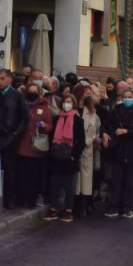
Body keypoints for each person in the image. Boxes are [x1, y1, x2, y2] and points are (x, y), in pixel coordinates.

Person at [103, 89, 133, 219]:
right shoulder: (116, 110)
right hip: (118, 150)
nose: (127, 99)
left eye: (130, 97)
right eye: (125, 96)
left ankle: (127, 207)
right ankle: (114, 206)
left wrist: (127, 131)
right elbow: (107, 125)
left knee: (130, 182)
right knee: (116, 180)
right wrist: (105, 134)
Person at [0, 69, 28, 210]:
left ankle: (9, 198)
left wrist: (15, 134)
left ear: (9, 79)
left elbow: (24, 118)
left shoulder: (17, 96)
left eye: (2, 79)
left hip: (11, 138)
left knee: (10, 170)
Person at [44, 95, 85, 223]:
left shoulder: (78, 121)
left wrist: (74, 156)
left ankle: (68, 210)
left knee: (69, 185)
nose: (66, 104)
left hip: (70, 157)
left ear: (73, 104)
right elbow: (51, 138)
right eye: (65, 102)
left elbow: (81, 141)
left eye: (69, 102)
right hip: (56, 156)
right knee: (55, 184)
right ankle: (53, 208)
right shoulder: (56, 119)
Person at [17, 82, 53, 209]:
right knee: (22, 176)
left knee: (33, 178)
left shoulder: (44, 107)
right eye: (30, 90)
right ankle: (20, 200)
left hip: (36, 147)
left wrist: (44, 125)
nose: (32, 93)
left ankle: (31, 201)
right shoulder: (21, 105)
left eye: (34, 91)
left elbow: (50, 125)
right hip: (22, 145)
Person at [75, 93, 101, 217]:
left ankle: (85, 204)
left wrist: (86, 142)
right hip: (79, 148)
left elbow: (94, 131)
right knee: (78, 177)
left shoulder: (94, 115)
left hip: (88, 149)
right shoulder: (77, 113)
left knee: (87, 178)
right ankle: (78, 204)